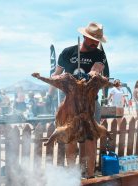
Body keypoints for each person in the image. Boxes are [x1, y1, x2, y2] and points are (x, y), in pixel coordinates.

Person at [48, 22, 108, 178]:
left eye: (97, 40)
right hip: (70, 103)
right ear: (84, 37)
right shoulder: (67, 52)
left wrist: (89, 75)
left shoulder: (99, 53)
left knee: (91, 137)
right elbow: (56, 73)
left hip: (90, 102)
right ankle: (73, 175)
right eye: (92, 40)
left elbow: (96, 69)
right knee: (70, 137)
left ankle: (90, 176)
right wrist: (49, 94)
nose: (95, 43)